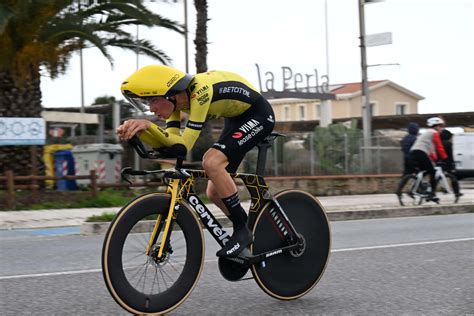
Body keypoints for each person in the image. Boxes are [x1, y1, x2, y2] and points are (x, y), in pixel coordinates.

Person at [116, 64, 275, 258]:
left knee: (211, 162)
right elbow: (170, 143)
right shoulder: (176, 103)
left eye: (152, 100)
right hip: (235, 120)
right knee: (214, 193)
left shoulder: (200, 93)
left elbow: (184, 145)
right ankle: (249, 229)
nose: (151, 108)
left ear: (169, 95)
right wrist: (141, 132)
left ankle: (242, 231)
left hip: (258, 115)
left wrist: (148, 126)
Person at [408, 117, 448, 203]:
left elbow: (431, 150)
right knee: (433, 172)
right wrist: (445, 158)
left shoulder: (426, 133)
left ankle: (416, 189)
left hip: (414, 152)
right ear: (436, 126)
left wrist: (435, 160)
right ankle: (431, 193)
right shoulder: (434, 133)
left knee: (425, 171)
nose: (442, 128)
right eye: (441, 126)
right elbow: (439, 147)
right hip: (420, 152)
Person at [395, 122, 419, 203]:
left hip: (406, 159)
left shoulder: (405, 138)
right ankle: (413, 190)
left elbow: (402, 147)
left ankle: (399, 190)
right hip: (413, 159)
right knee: (420, 174)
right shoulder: (415, 139)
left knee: (405, 176)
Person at [439, 129, 463, 201]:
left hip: (438, 163)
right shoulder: (448, 144)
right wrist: (452, 164)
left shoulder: (438, 143)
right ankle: (457, 193)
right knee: (453, 178)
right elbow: (450, 155)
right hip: (447, 163)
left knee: (436, 177)